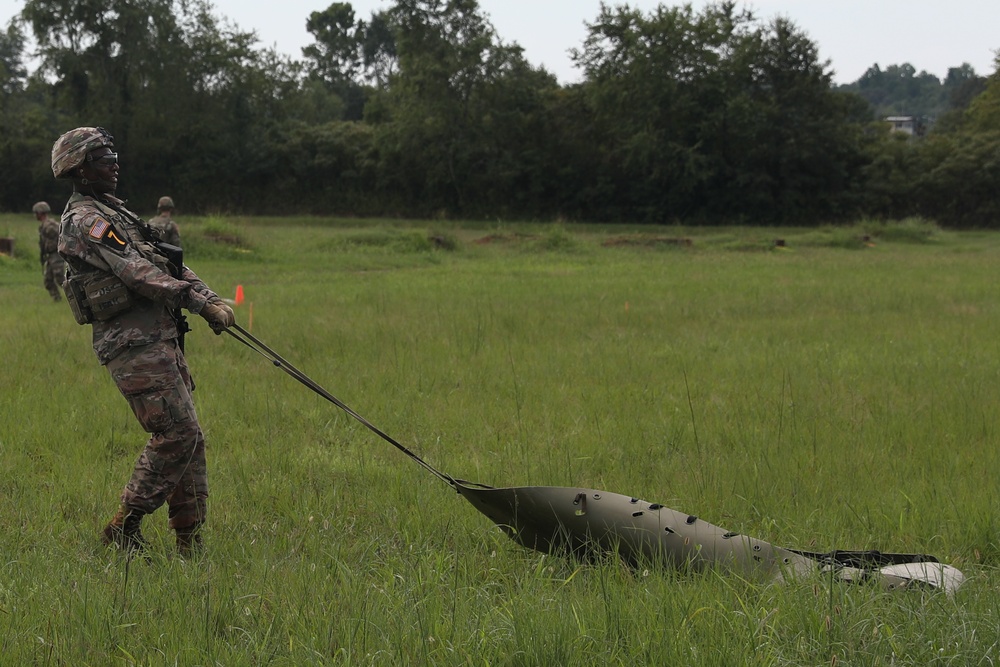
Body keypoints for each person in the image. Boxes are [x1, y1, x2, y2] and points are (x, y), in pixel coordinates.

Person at [51, 126, 235, 557]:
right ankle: (124, 526)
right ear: (78, 169)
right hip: (132, 344)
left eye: (113, 154)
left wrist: (207, 297)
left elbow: (166, 262)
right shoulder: (85, 221)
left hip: (160, 336)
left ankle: (190, 544)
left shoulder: (119, 214)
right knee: (176, 433)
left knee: (189, 438)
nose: (114, 162)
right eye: (102, 157)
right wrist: (197, 303)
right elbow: (137, 272)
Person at [34, 201, 66, 301]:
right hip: (50, 256)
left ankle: (76, 296)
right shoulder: (44, 226)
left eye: (36, 213)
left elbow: (61, 237)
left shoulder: (50, 225)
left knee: (60, 278)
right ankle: (57, 299)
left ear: (40, 213)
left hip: (56, 254)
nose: (35, 215)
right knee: (48, 280)